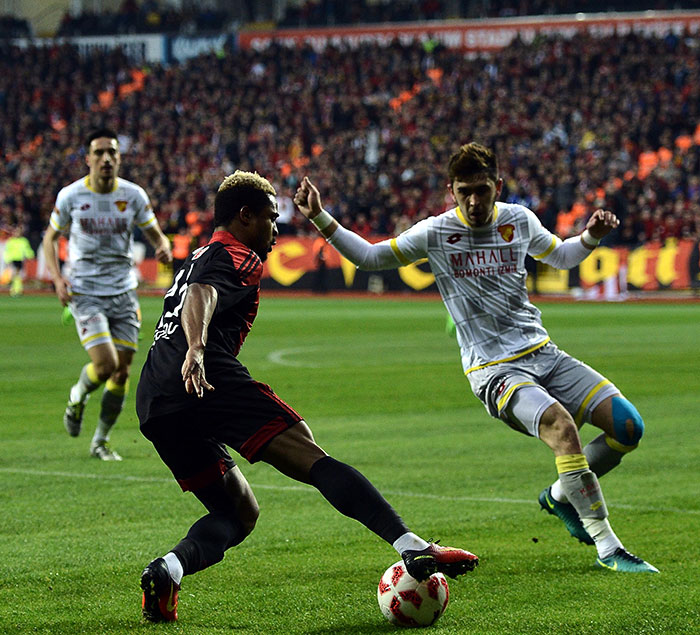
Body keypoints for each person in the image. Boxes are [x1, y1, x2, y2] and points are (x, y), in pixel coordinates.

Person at [294, 142, 658, 574]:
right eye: (464, 191)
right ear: (451, 190)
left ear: (497, 186)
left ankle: (561, 495)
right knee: (561, 427)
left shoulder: (518, 220)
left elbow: (560, 256)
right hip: (494, 369)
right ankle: (608, 546)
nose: (473, 200)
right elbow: (371, 257)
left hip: (543, 352)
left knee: (628, 426)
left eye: (481, 190)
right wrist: (319, 216)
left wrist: (592, 236)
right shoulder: (436, 231)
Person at [135, 170, 478, 623]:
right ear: (245, 217)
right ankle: (411, 545)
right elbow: (203, 294)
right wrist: (197, 348)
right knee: (310, 454)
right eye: (271, 219)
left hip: (156, 398)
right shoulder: (235, 253)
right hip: (203, 376)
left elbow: (196, 288)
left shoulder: (199, 254)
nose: (277, 231)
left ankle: (168, 570)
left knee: (238, 511)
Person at [42, 127, 172, 461]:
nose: (106, 159)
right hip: (85, 291)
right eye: (99, 153)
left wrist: (163, 248)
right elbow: (49, 239)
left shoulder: (133, 195)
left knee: (122, 371)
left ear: (119, 158)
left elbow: (157, 236)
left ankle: (100, 440)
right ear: (87, 159)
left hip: (124, 293)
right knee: (105, 364)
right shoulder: (71, 196)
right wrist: (57, 279)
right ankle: (78, 394)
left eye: (111, 152)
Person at [3, 226, 35, 297]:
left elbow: (27, 250)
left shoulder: (23, 241)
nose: (17, 233)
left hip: (20, 259)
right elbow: (7, 251)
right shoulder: (11, 241)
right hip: (13, 259)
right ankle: (16, 290)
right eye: (16, 232)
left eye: (18, 232)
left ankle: (15, 290)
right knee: (16, 275)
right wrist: (7, 259)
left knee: (17, 275)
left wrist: (30, 256)